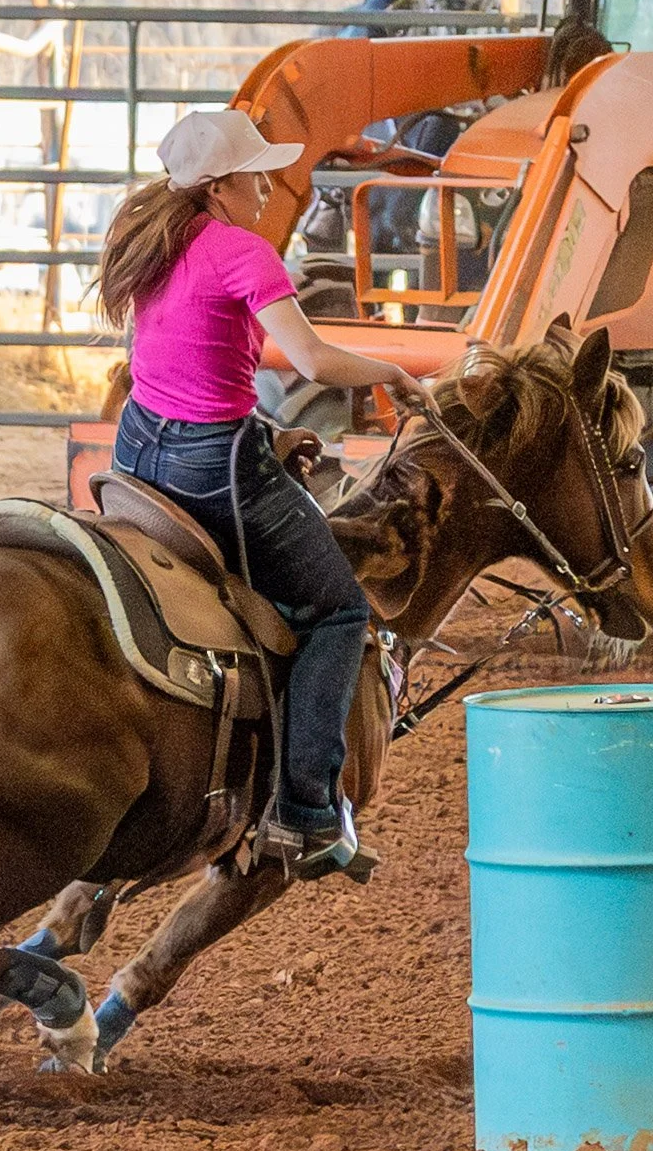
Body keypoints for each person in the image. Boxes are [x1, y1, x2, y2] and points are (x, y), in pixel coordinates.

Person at [95, 110, 434, 880]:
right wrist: (390, 373)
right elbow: (311, 359)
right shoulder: (241, 251)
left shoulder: (155, 243)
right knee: (340, 608)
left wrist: (265, 428)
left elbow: (186, 359)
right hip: (212, 463)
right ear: (218, 187)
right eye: (255, 174)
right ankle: (306, 804)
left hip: (140, 450)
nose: (269, 184)